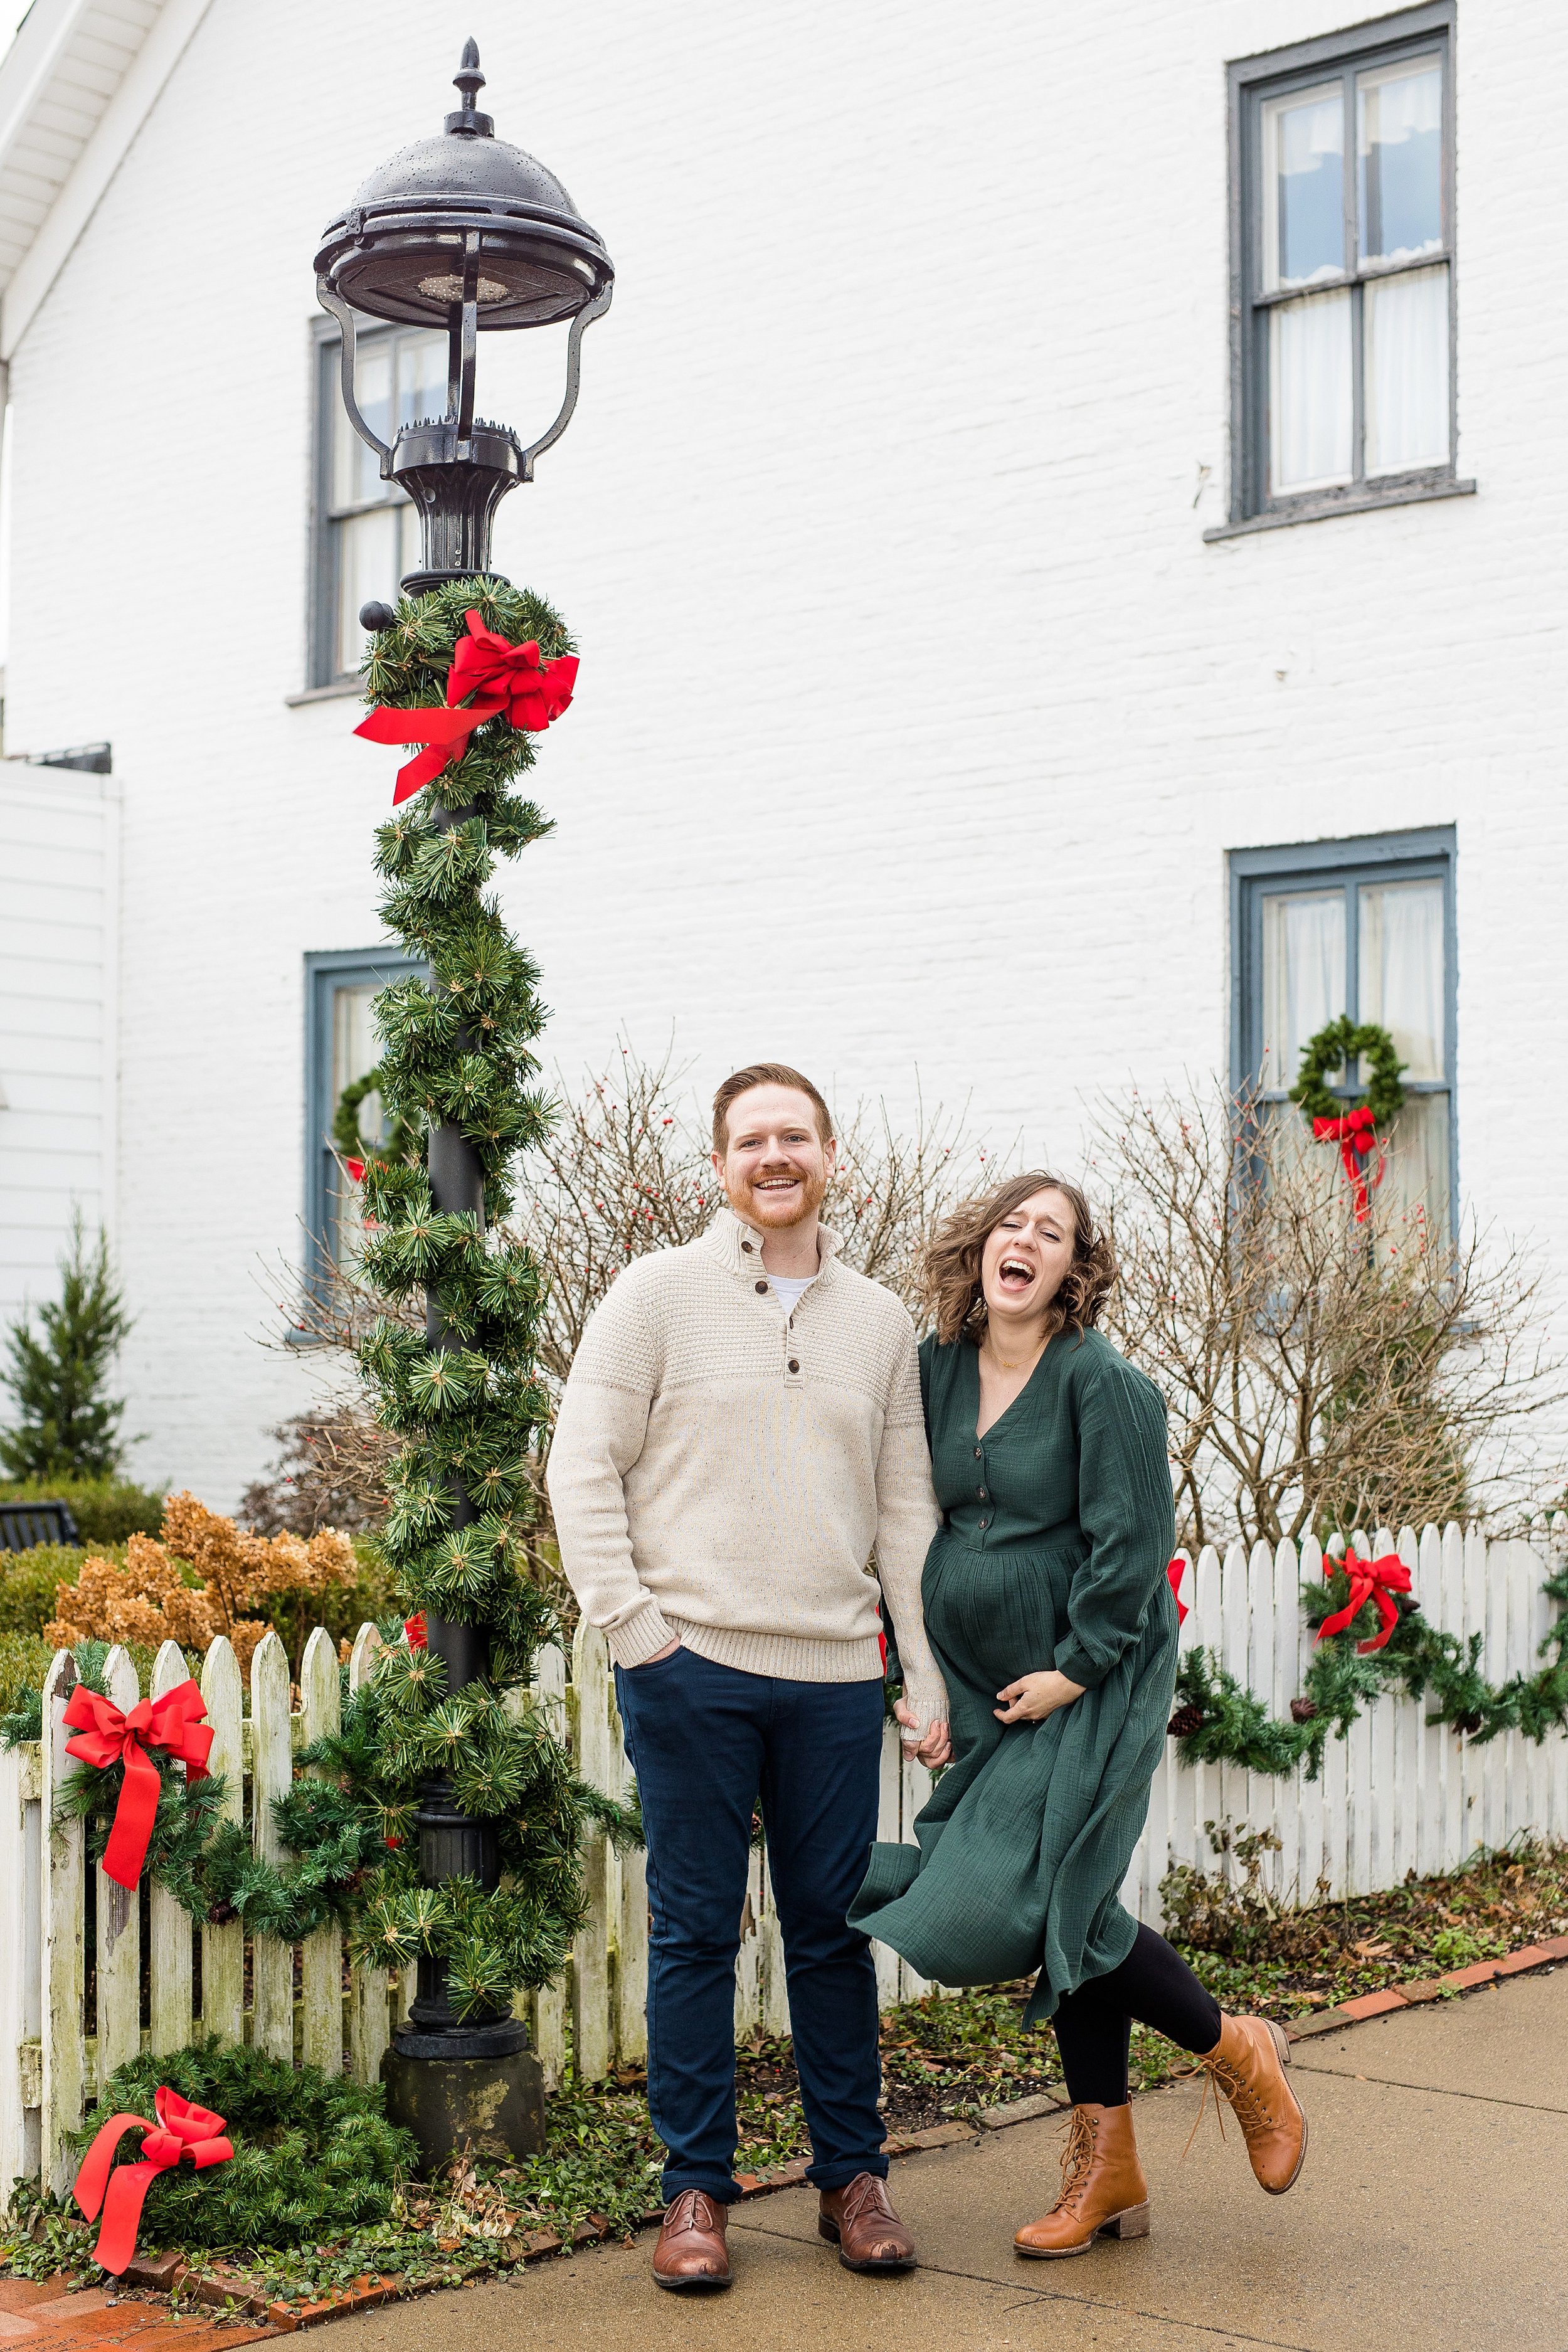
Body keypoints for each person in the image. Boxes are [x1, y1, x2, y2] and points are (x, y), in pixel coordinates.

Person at [547, 1062, 950, 2294]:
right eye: (750, 1140)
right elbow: (580, 1469)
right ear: (718, 1165)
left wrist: (917, 1672)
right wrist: (635, 1634)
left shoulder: (877, 1321)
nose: (773, 1156)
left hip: (832, 1675)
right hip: (692, 1671)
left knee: (832, 1936)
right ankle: (693, 2194)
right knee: (692, 1935)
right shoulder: (654, 1296)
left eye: (795, 1137)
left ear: (831, 1155)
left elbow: (903, 1511)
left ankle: (851, 2179)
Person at [851, 1170, 1307, 2257]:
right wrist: (929, 1679)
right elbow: (910, 1517)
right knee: (1064, 1907)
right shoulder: (933, 1368)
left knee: (1042, 1904)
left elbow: (1133, 1545)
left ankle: (1235, 2052)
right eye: (1010, 1221)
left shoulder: (1102, 1383)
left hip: (1093, 1674)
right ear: (981, 1247)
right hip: (988, 1683)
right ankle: (1115, 2166)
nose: (1025, 1241)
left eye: (1050, 1233)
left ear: (1074, 1269)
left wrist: (1076, 1666)